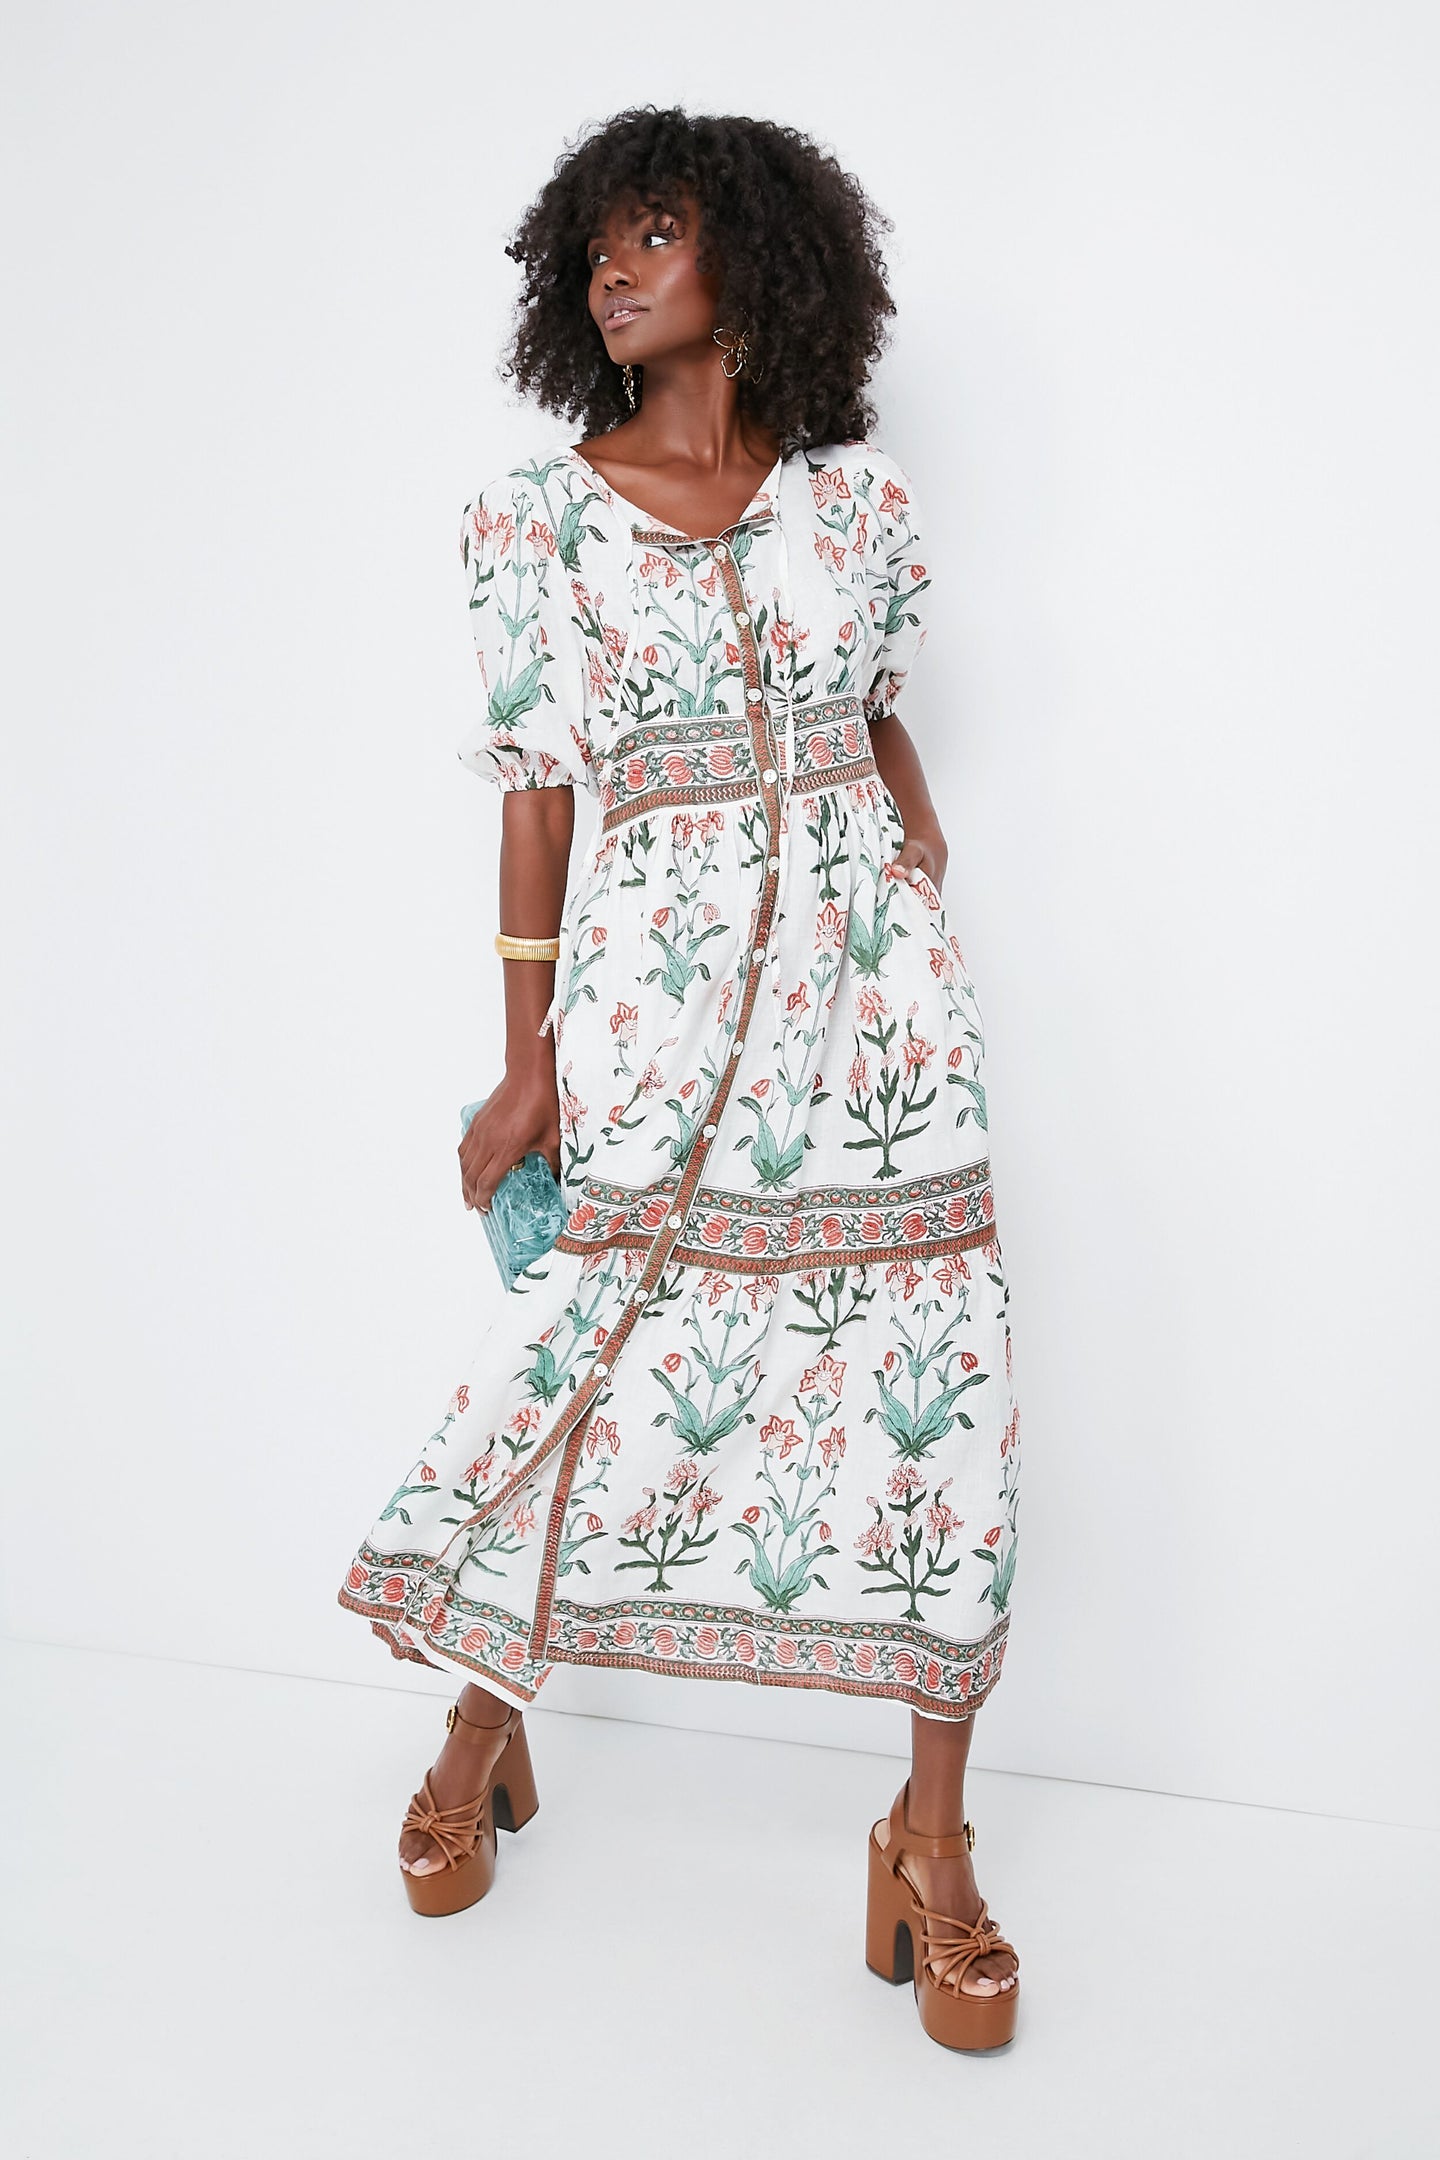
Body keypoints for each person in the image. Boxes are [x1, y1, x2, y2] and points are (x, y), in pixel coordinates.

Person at [338, 105, 1022, 2051]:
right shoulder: (532, 523)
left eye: (654, 235)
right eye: (595, 249)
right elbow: (541, 802)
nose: (612, 272)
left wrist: (902, 868)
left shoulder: (861, 511)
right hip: (651, 1015)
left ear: (758, 262)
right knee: (594, 1361)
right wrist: (520, 1057)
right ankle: (483, 1723)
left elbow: (881, 722)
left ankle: (934, 1838)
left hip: (880, 1028)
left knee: (937, 1396)